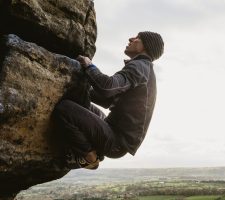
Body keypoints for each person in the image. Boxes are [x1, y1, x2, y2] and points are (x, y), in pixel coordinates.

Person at [53, 31, 164, 170]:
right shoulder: (145, 69)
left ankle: (89, 157)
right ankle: (96, 150)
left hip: (116, 142)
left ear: (145, 46)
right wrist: (82, 87)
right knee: (79, 99)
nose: (131, 38)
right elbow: (107, 99)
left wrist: (89, 66)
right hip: (113, 131)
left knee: (65, 108)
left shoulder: (140, 67)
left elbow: (107, 87)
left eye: (137, 38)